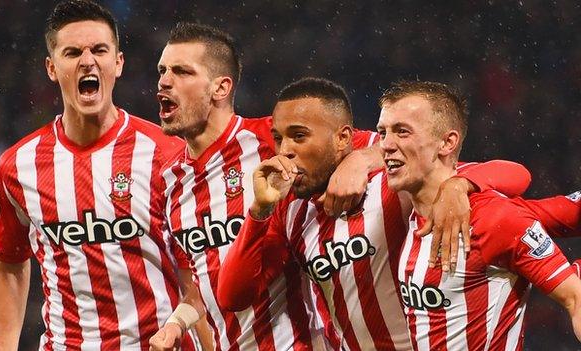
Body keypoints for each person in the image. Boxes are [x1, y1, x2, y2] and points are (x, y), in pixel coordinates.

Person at [215, 77, 534, 350]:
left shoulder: (393, 180)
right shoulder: (291, 210)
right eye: (279, 139)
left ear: (343, 138)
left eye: (299, 136)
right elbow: (232, 296)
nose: (285, 150)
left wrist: (460, 185)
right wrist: (259, 211)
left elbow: (515, 175)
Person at [0, 1, 209, 350]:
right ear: (51, 67)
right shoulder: (18, 165)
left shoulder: (167, 155)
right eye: (73, 52)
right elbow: (10, 263)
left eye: (99, 50)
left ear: (117, 63)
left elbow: (196, 276)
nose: (87, 60)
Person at [376, 80, 581, 350]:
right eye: (382, 133)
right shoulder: (413, 208)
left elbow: (575, 298)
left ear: (447, 143)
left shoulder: (492, 217)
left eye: (402, 132)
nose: (386, 145)